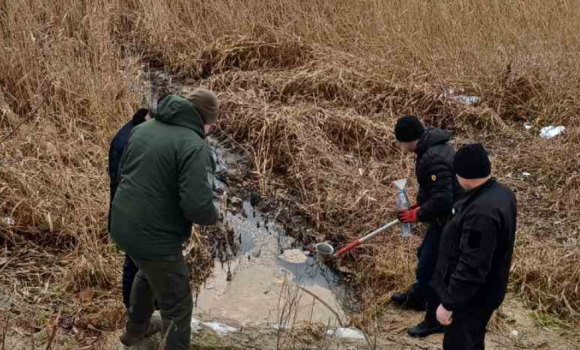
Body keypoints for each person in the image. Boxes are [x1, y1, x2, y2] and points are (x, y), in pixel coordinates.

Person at [110, 89, 220, 349]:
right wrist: (213, 214)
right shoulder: (195, 147)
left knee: (147, 272)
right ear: (205, 120)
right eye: (212, 125)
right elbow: (198, 207)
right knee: (179, 306)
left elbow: (125, 172)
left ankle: (136, 330)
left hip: (122, 224)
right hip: (154, 237)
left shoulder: (145, 128)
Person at [432, 143, 517, 350]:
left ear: (464, 176)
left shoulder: (482, 214)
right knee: (473, 340)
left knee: (459, 344)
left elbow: (472, 266)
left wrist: (448, 304)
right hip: (487, 290)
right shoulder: (501, 193)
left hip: (470, 299)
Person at [392, 116, 463, 338]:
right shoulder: (429, 147)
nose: (399, 145)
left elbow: (443, 199)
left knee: (430, 268)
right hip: (444, 215)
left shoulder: (433, 158)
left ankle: (434, 320)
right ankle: (418, 298)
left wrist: (417, 214)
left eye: (399, 141)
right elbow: (437, 190)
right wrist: (421, 204)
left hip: (452, 219)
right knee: (424, 253)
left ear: (407, 140)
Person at [108, 107, 151, 311]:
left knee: (137, 262)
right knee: (134, 263)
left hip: (129, 210)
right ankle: (132, 309)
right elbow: (123, 183)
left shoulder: (137, 129)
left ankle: (140, 309)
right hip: (130, 212)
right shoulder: (128, 141)